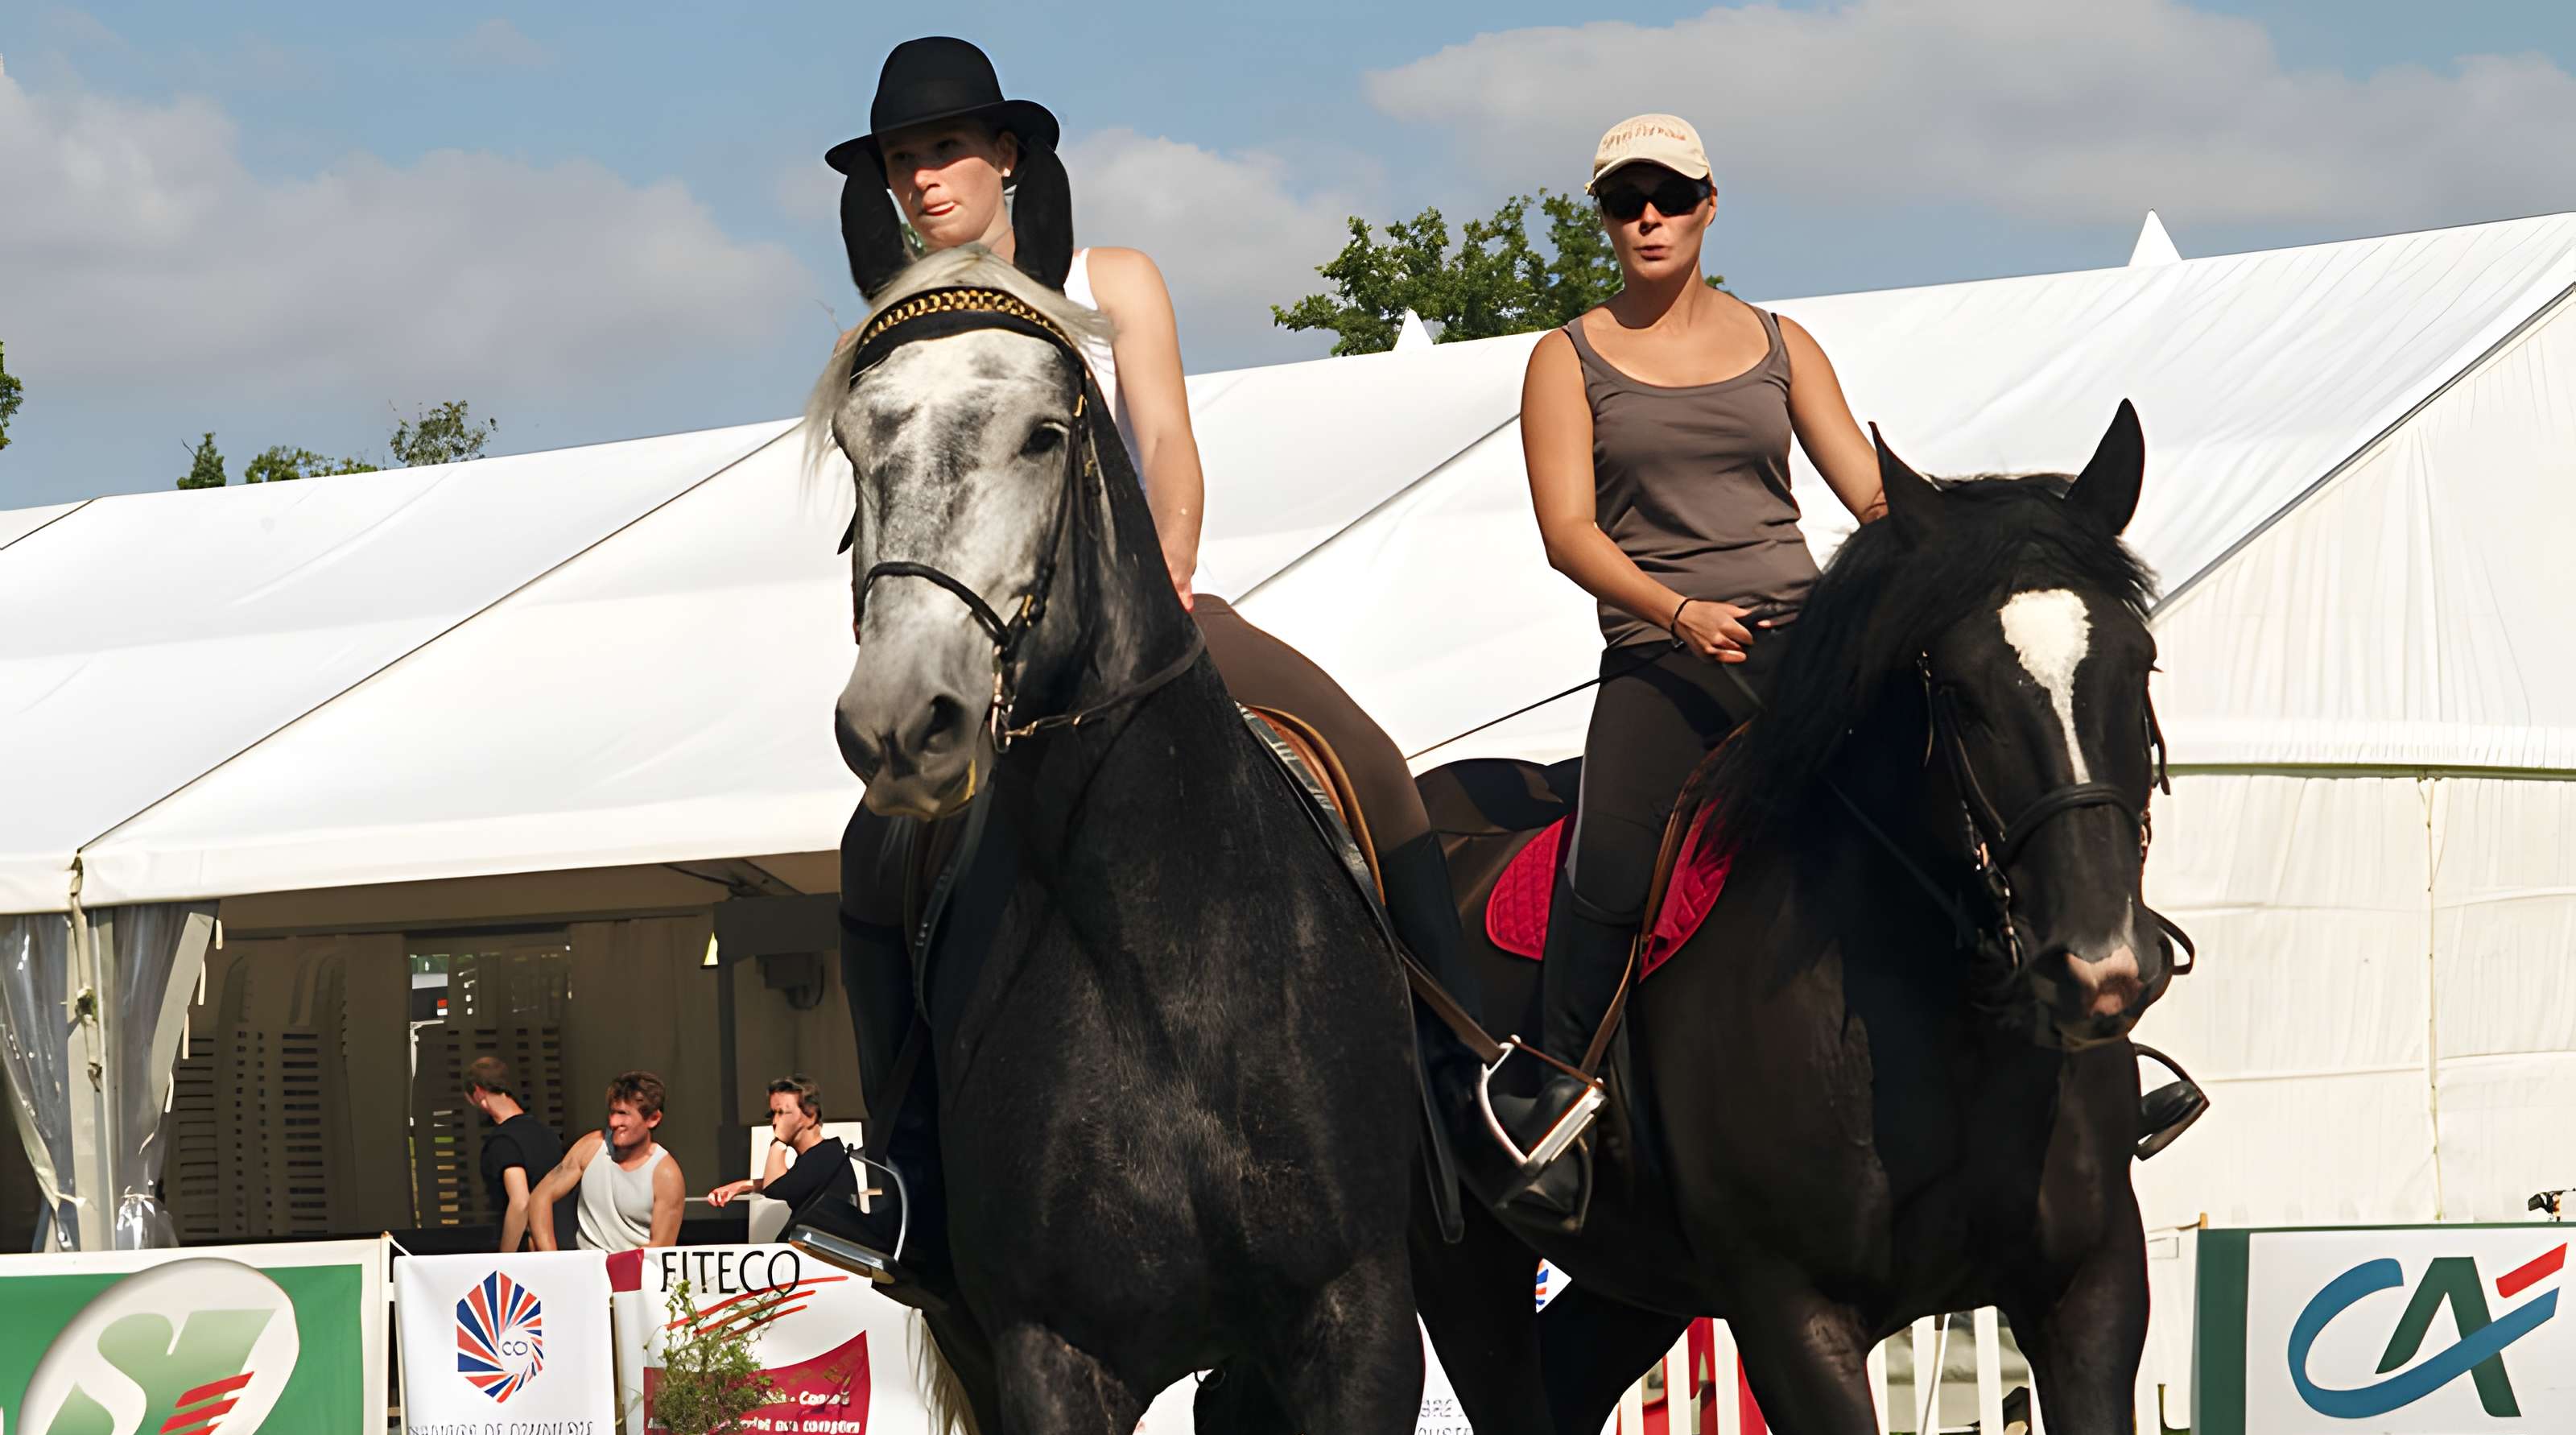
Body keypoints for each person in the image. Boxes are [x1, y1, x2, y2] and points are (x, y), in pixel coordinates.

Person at [811, 36, 1508, 1286]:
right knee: (872, 848)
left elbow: (1169, 441)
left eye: (946, 148)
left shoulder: (1109, 276)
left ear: (1007, 154)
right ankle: (902, 1169)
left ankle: (1470, 1074)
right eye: (902, 159)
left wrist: (1172, 572)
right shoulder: (900, 325)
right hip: (987, 649)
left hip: (1143, 615)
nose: (923, 179)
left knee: (1364, 754)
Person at [1518, 114, 2204, 1157]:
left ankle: (2097, 1066)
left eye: (1670, 196)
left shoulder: (1780, 344)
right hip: (1664, 657)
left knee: (1966, 799)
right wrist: (1678, 613)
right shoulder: (1565, 358)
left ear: (1709, 205)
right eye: (1625, 200)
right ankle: (1554, 1090)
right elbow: (1568, 532)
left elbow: (1875, 498)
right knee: (1609, 862)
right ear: (1605, 219)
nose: (1648, 217)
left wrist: (1973, 555)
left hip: (1808, 646)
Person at [529, 1071, 686, 1251]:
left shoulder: (665, 1174)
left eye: (623, 1114)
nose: (613, 1122)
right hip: (585, 1263)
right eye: (612, 1112)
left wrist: (618, 1266)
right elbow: (540, 1197)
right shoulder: (591, 1147)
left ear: (653, 1119)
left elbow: (660, 1249)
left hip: (635, 1266)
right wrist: (552, 1258)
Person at [705, 1076, 857, 1217]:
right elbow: (791, 1181)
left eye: (782, 1112)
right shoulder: (820, 1156)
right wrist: (741, 1186)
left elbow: (774, 1190)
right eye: (773, 1114)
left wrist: (778, 1142)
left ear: (811, 1115)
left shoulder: (826, 1155)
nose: (775, 1121)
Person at [466, 1055, 572, 1253]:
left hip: (534, 1253)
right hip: (566, 1245)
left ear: (478, 1093)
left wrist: (506, 1259)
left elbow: (521, 1202)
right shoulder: (547, 1133)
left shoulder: (503, 1142)